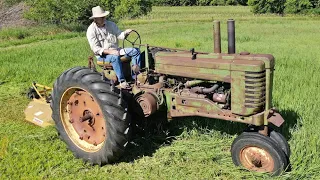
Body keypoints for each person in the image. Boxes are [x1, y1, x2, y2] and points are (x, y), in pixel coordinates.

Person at [86, 6, 141, 89]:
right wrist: (110, 52)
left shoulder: (111, 24)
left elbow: (120, 35)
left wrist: (125, 33)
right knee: (115, 57)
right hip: (102, 56)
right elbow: (95, 49)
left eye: (104, 16)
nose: (104, 18)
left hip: (116, 50)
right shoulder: (91, 30)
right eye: (101, 17)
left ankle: (135, 76)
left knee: (135, 51)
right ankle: (122, 81)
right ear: (95, 19)